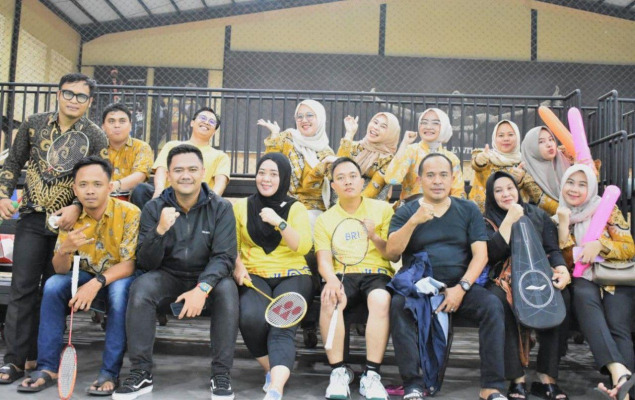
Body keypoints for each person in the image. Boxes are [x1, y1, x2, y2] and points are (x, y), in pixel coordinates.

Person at [0, 73, 109, 384]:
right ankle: (14, 361)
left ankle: (42, 357)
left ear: (89, 102)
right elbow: (13, 163)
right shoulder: (33, 124)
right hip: (32, 218)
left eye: (81, 96)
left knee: (51, 291)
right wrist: (3, 194)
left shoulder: (95, 135)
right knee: (22, 288)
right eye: (68, 93)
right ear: (58, 94)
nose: (74, 100)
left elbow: (100, 178)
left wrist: (77, 206)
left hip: (69, 225)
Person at [113, 144, 238, 400]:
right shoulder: (154, 208)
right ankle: (141, 372)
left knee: (228, 290)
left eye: (192, 169)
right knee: (142, 287)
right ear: (168, 174)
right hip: (168, 276)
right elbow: (146, 262)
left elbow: (224, 257)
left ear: (202, 172)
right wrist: (159, 231)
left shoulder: (221, 207)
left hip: (207, 277)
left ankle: (221, 373)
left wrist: (202, 288)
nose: (185, 175)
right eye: (178, 170)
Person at [387, 153, 507, 400]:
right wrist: (413, 222)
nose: (437, 181)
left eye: (443, 175)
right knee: (398, 305)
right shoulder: (406, 211)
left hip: (458, 286)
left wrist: (461, 288)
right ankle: (413, 383)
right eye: (430, 175)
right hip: (419, 287)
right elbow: (392, 252)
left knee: (492, 305)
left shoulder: (468, 209)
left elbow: (481, 255)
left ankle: (491, 386)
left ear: (453, 179)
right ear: (420, 180)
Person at [17, 156, 140, 396]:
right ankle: (48, 367)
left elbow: (130, 264)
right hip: (83, 275)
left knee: (119, 294)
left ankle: (109, 372)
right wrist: (65, 249)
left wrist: (96, 283)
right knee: (53, 285)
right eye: (83, 185)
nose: (90, 191)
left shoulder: (129, 212)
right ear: (75, 189)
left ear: (110, 186)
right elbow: (60, 269)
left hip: (116, 277)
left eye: (97, 184)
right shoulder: (71, 218)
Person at [484, 171, 571, 400]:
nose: (506, 194)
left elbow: (552, 250)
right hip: (503, 278)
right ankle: (517, 379)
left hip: (537, 275)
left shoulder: (537, 214)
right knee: (498, 301)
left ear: (518, 189)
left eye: (510, 188)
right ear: (491, 195)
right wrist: (510, 219)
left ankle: (547, 377)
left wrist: (562, 269)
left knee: (562, 296)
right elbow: (492, 254)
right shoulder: (487, 219)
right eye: (498, 190)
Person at [314, 157, 396, 400]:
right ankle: (338, 372)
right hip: (342, 274)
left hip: (376, 273)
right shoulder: (325, 219)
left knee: (381, 299)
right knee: (329, 299)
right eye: (340, 178)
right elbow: (323, 260)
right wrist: (331, 280)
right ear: (333, 186)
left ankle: (372, 374)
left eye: (352, 176)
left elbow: (390, 253)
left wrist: (374, 236)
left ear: (362, 181)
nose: (347, 182)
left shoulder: (383, 210)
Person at [233, 153, 313, 400]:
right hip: (254, 274)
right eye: (261, 172)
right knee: (251, 319)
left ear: (284, 177)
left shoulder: (296, 208)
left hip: (293, 274)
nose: (266, 179)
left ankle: (276, 387)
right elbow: (231, 245)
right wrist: (238, 267)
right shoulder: (241, 207)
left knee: (281, 324)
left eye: (273, 174)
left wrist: (279, 222)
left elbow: (302, 246)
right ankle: (274, 370)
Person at [555, 164, 635, 400]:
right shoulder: (558, 213)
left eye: (582, 184)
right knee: (583, 298)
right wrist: (563, 226)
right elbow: (564, 261)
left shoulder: (607, 208)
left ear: (591, 188)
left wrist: (601, 245)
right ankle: (621, 379)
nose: (575, 189)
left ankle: (624, 389)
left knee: (617, 324)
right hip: (582, 278)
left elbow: (629, 248)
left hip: (614, 277)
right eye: (570, 182)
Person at [130, 107, 229, 209]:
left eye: (212, 122)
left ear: (214, 131)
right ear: (192, 123)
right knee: (141, 189)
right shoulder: (172, 145)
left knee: (224, 205)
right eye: (203, 118)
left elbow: (220, 183)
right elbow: (161, 170)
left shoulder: (220, 156)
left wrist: (210, 205)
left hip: (197, 204)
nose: (206, 122)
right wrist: (158, 192)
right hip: (168, 199)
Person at [259, 99, 335, 227]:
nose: (304, 120)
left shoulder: (326, 153)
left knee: (306, 222)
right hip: (282, 202)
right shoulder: (288, 138)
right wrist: (275, 135)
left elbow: (309, 187)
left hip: (312, 208)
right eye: (299, 116)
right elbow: (269, 164)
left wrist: (323, 165)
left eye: (309, 115)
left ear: (320, 119)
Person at [384, 108, 465, 203]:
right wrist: (404, 144)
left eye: (435, 123)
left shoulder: (451, 158)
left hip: (442, 209)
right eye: (424, 122)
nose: (428, 127)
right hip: (412, 208)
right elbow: (392, 179)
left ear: (444, 127)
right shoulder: (411, 151)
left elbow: (458, 194)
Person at [337, 112, 399, 201]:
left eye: (383, 126)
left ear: (391, 134)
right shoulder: (355, 147)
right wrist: (349, 133)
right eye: (375, 122)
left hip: (366, 203)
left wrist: (350, 203)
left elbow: (372, 190)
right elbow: (337, 169)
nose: (376, 127)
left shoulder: (387, 160)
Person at [469, 119, 524, 212]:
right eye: (501, 135)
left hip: (512, 214)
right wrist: (478, 161)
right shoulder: (487, 156)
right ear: (494, 138)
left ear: (517, 137)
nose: (506, 139)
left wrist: (519, 181)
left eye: (510, 135)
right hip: (482, 215)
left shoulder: (523, 163)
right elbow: (476, 165)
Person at [102, 103, 154, 200]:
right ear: (103, 126)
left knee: (141, 189)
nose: (117, 125)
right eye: (111, 121)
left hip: (132, 201)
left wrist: (112, 186)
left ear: (130, 125)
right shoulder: (98, 147)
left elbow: (140, 175)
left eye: (122, 121)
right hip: (101, 200)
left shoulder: (141, 147)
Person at [520, 126, 570, 216]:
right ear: (531, 148)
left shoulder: (565, 162)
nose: (549, 144)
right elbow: (544, 203)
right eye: (541, 142)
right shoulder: (525, 175)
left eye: (551, 139)